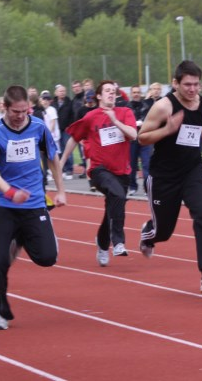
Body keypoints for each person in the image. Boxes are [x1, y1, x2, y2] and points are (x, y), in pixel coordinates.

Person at [0, 85, 66, 330]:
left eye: (24, 110)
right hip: (5, 204)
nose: (20, 116)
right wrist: (9, 191)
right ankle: (1, 311)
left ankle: (22, 238)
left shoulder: (37, 126)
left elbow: (52, 156)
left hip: (35, 203)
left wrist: (60, 190)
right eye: (15, 111)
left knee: (48, 258)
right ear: (5, 108)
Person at [138, 60, 202, 294]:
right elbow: (142, 137)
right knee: (163, 231)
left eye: (196, 84)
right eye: (187, 84)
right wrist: (167, 130)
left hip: (193, 170)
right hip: (164, 176)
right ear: (175, 83)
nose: (192, 89)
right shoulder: (163, 107)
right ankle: (148, 233)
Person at [61, 80, 137, 266]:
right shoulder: (90, 117)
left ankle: (103, 245)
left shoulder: (125, 113)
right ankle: (118, 242)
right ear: (99, 96)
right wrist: (61, 162)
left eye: (114, 91)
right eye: (107, 91)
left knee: (111, 209)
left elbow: (133, 135)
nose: (111, 93)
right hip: (99, 170)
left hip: (122, 172)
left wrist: (115, 121)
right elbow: (74, 138)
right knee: (118, 195)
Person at [127, 85, 152, 195]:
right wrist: (134, 123)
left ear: (140, 93)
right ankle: (133, 186)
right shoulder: (127, 107)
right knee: (132, 165)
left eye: (138, 92)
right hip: (132, 140)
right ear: (131, 94)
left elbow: (149, 118)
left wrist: (142, 122)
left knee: (147, 164)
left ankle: (147, 188)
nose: (136, 94)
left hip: (144, 139)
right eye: (134, 92)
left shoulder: (145, 105)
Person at [52, 84, 75, 179]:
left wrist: (69, 126)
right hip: (57, 130)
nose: (62, 93)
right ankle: (63, 169)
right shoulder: (53, 104)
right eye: (60, 91)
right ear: (56, 93)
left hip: (66, 129)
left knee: (67, 148)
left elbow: (72, 115)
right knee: (59, 149)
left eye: (63, 91)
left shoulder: (69, 102)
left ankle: (69, 169)